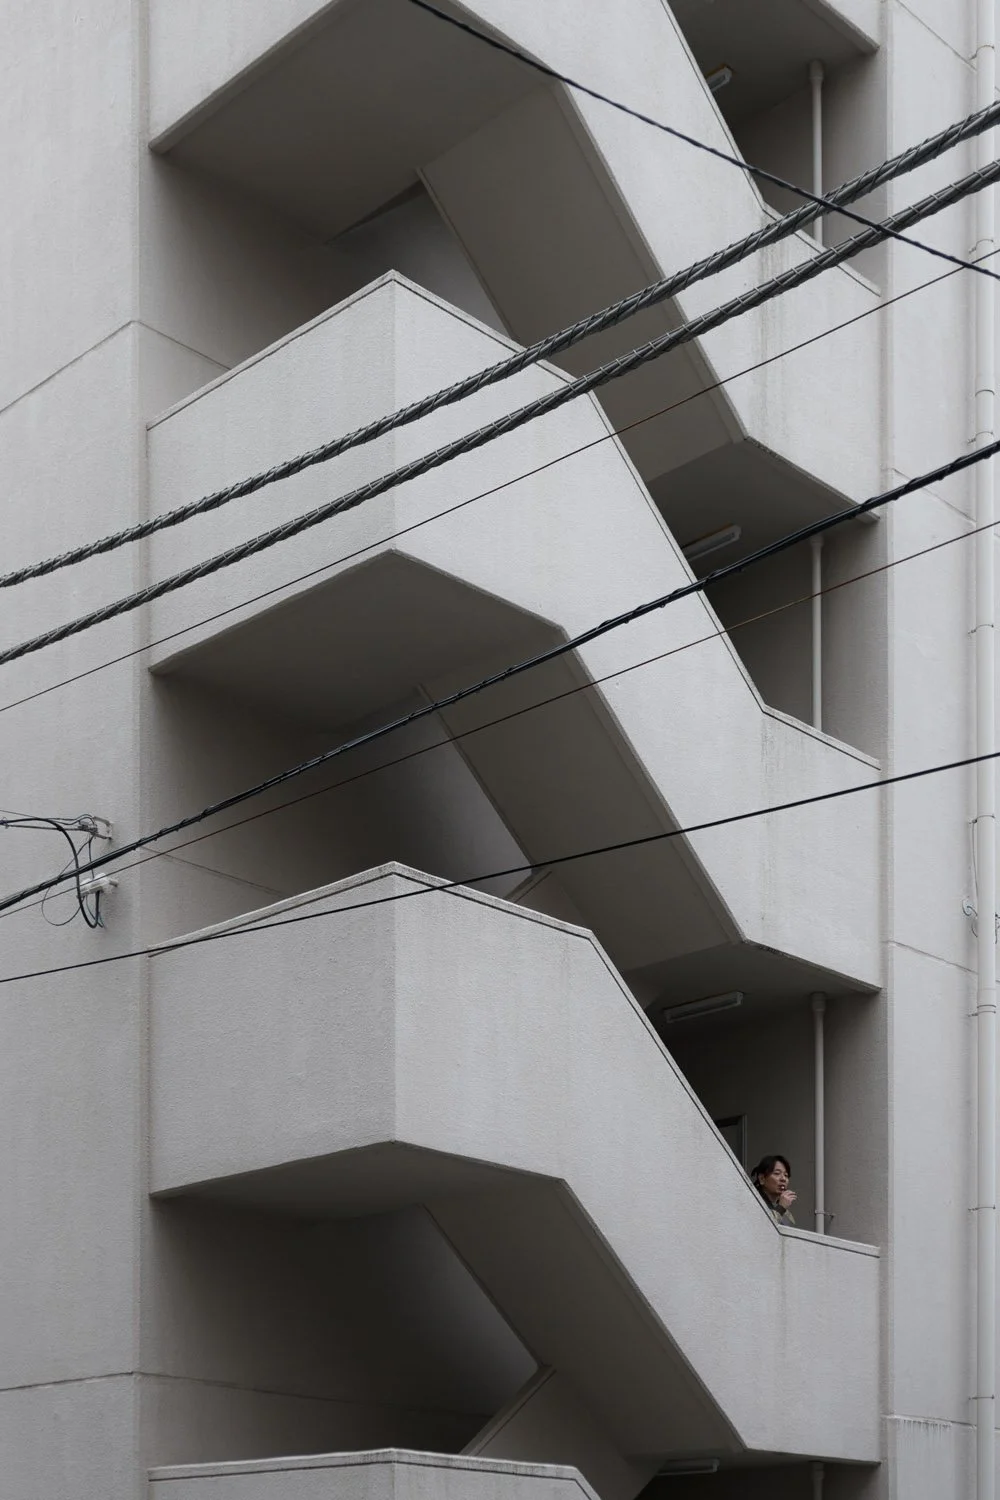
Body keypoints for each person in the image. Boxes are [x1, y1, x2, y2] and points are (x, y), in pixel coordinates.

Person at [750, 1154, 796, 1225]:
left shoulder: (783, 1208)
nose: (783, 1179)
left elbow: (791, 1230)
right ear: (762, 1179)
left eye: (786, 1175)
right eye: (777, 1173)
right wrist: (781, 1208)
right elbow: (763, 1227)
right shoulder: (753, 1202)